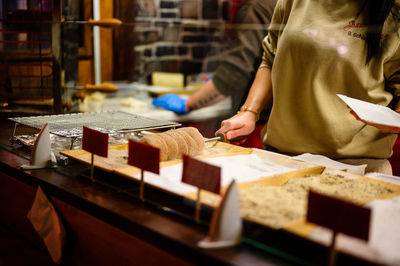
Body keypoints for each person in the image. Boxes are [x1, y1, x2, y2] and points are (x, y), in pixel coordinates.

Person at [216, 0, 400, 174]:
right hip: (280, 158)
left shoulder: (394, 11)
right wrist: (249, 112)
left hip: (356, 166)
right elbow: (271, 58)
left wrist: (393, 121)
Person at [152, 0, 277, 122]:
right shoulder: (276, 4)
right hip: (272, 119)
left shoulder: (254, 9)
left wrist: (188, 103)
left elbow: (233, 74)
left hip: (257, 123)